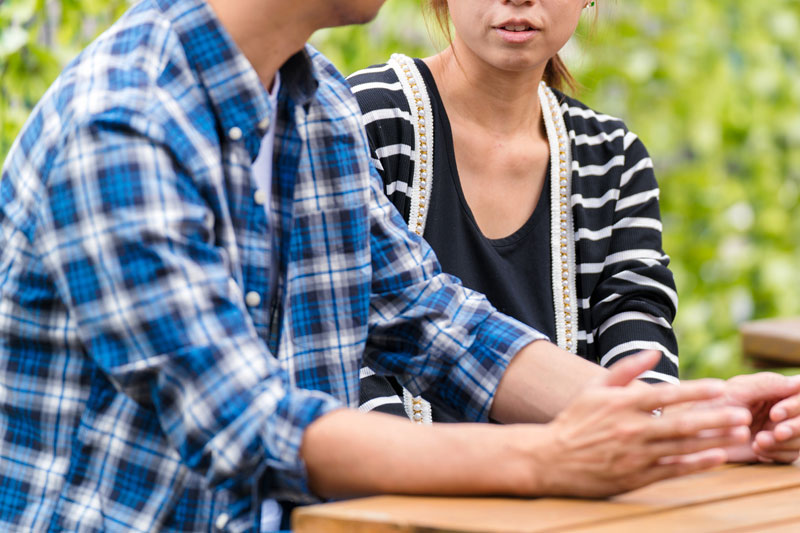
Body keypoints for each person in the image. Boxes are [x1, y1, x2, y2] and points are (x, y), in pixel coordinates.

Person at [0, 0, 797, 531]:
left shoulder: (314, 106)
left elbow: (434, 322)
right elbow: (244, 421)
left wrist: (698, 422)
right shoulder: (125, 121)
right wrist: (544, 460)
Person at [347, 0, 800, 462]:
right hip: (399, 495)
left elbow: (636, 333)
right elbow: (356, 346)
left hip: (573, 499)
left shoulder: (611, 159)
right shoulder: (364, 120)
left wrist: (694, 425)